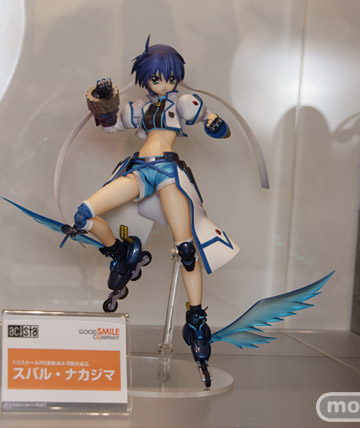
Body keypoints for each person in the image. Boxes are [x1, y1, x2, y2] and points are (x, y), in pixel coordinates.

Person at [63, 36, 239, 381]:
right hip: (140, 171)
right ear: (146, 78)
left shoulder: (184, 102)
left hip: (168, 174)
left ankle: (196, 320)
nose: (164, 82)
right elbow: (111, 125)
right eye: (157, 77)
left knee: (186, 249)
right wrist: (103, 101)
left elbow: (216, 125)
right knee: (84, 215)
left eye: (169, 76)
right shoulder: (139, 108)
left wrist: (214, 123)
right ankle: (121, 253)